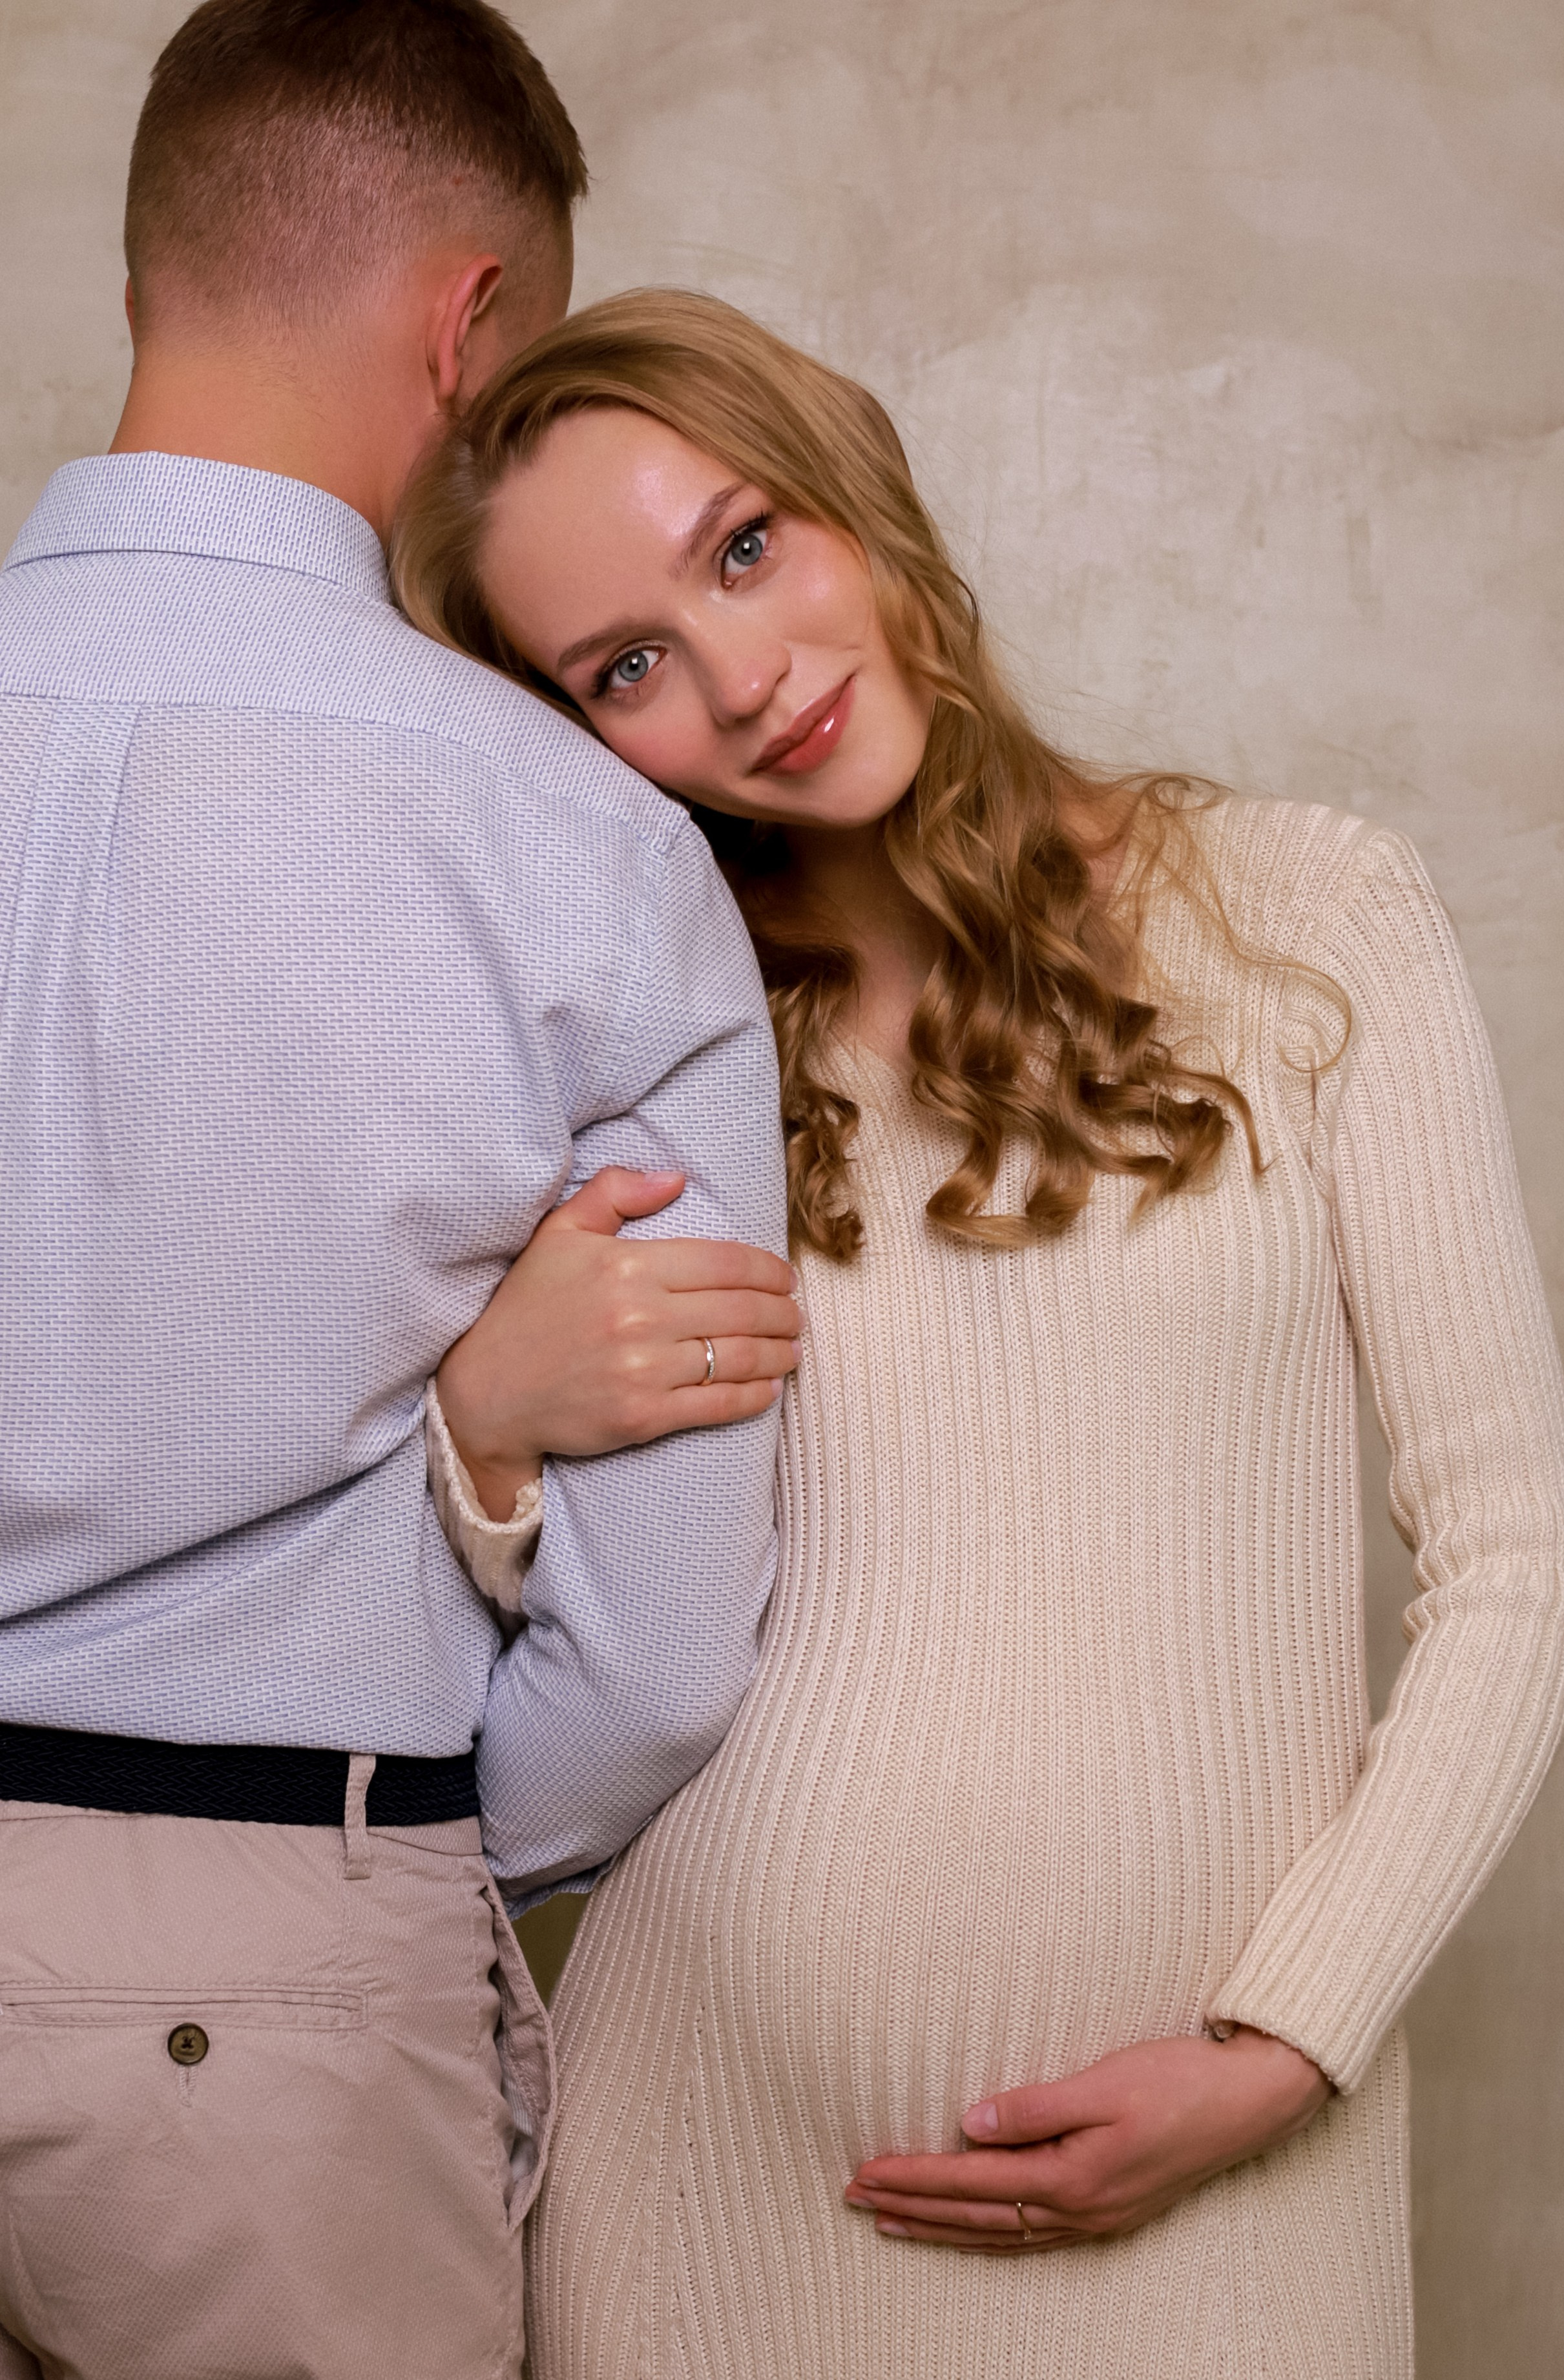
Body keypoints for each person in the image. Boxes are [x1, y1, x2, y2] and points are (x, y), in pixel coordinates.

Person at [396, 289, 1564, 2379]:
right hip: (699, 2182)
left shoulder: (1301, 916)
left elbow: (1517, 1563)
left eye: (746, 545)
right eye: (627, 666)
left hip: (1235, 2192)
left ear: (857, 487)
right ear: (567, 736)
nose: (745, 681)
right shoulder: (633, 1059)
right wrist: (480, 1430)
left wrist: (1283, 2043)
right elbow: (483, 1670)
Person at [0, 15, 802, 2379]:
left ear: (151, 261)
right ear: (466, 325)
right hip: (258, 1972)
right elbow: (653, 1663)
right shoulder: (577, 846)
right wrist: (398, 1869)